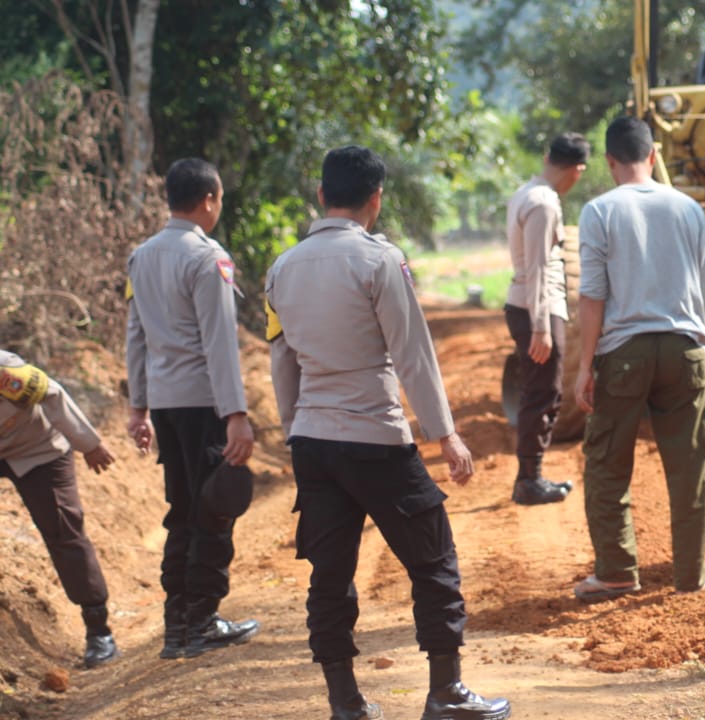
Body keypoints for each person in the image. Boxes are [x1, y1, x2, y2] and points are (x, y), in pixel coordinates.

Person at [265, 145, 510, 720]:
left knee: (331, 575)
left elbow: (283, 365)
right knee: (434, 561)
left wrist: (293, 430)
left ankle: (346, 703)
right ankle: (446, 692)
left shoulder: (282, 267)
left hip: (313, 441)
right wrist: (444, 434)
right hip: (374, 435)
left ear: (322, 196)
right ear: (375, 200)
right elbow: (412, 354)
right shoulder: (380, 261)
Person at [571, 115, 705, 602]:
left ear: (609, 161)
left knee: (607, 464)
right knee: (689, 466)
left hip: (623, 354)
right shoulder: (688, 209)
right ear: (654, 155)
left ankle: (617, 571)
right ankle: (692, 577)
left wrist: (584, 366)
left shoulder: (599, 211)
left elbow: (593, 296)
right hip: (685, 350)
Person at [125, 157, 260, 660]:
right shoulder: (208, 258)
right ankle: (201, 621)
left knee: (182, 509)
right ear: (208, 199)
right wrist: (236, 414)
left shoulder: (141, 257)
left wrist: (138, 407)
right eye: (219, 199)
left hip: (164, 403)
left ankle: (177, 624)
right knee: (215, 510)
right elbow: (219, 342)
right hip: (204, 402)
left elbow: (135, 337)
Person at [0, 351, 119, 668]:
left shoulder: (6, 371)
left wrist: (89, 444)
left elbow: (53, 396)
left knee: (63, 530)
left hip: (38, 449)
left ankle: (98, 629)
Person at [504, 132, 591, 506]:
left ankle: (531, 475)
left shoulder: (527, 192)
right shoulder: (544, 204)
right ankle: (528, 480)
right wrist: (541, 325)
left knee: (539, 391)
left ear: (546, 157)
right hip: (535, 307)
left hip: (524, 303)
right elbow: (539, 268)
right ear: (578, 171)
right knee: (542, 393)